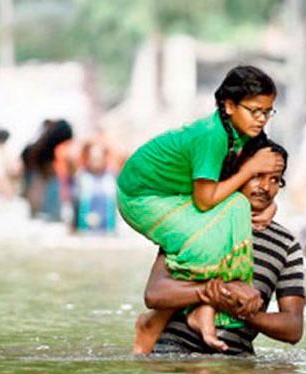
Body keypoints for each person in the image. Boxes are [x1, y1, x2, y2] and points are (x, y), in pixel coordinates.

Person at [119, 65, 285, 354]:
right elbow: (206, 200)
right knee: (208, 240)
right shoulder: (213, 135)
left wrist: (270, 202)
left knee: (236, 208)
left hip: (175, 195)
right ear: (229, 105)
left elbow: (263, 166)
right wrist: (249, 170)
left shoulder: (241, 133)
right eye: (254, 110)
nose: (261, 119)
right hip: (142, 196)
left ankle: (203, 308)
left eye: (268, 111)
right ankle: (161, 321)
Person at [138, 134, 305, 355]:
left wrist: (242, 311)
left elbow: (293, 328)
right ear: (237, 174)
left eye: (275, 179)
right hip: (174, 356)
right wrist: (218, 292)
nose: (265, 187)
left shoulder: (285, 244)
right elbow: (155, 293)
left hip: (236, 363)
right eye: (257, 175)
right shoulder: (197, 222)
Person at [74, 140, 118, 233]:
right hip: (85, 229)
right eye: (93, 158)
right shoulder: (81, 176)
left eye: (99, 158)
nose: (96, 161)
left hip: (108, 229)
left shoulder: (112, 176)